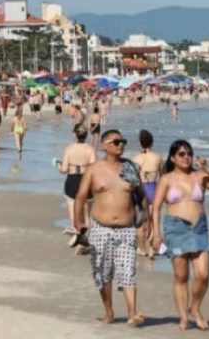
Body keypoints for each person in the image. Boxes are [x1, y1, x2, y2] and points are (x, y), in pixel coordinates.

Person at [151, 139, 209, 331]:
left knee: (203, 274)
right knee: (181, 276)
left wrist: (207, 168)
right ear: (173, 158)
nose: (186, 157)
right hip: (176, 229)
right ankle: (184, 317)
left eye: (189, 154)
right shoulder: (166, 179)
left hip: (198, 228)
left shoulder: (200, 176)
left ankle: (195, 307)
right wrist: (156, 234)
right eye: (181, 154)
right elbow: (156, 207)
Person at [73, 130, 147, 327]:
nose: (120, 145)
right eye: (116, 142)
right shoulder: (94, 169)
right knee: (102, 273)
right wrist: (78, 223)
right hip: (100, 228)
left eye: (123, 141)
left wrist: (146, 220)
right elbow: (81, 196)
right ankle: (109, 312)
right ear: (104, 145)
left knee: (128, 271)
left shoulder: (129, 167)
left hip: (126, 228)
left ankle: (132, 313)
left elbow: (141, 195)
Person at [55, 124, 97, 236]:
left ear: (75, 134)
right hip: (86, 180)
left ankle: (77, 236)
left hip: (72, 180)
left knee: (73, 211)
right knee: (87, 214)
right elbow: (94, 168)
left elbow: (64, 170)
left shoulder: (69, 149)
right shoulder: (90, 149)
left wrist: (58, 165)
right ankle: (88, 237)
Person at [130, 129, 163, 258]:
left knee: (141, 220)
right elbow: (163, 175)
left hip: (140, 189)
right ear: (152, 142)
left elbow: (132, 178)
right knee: (154, 220)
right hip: (153, 187)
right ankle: (151, 250)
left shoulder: (135, 158)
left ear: (140, 142)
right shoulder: (157, 157)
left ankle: (141, 248)